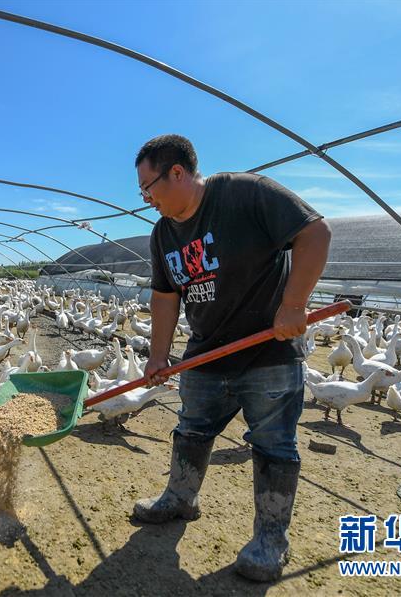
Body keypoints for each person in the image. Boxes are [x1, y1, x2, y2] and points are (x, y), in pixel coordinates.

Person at [134, 134, 331, 582]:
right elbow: (165, 296)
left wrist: (294, 304)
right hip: (205, 352)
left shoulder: (244, 193)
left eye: (148, 188)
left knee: (274, 445)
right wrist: (158, 355)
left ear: (177, 173)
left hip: (268, 352)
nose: (146, 199)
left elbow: (315, 232)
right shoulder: (163, 233)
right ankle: (180, 497)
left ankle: (271, 541)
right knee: (191, 429)